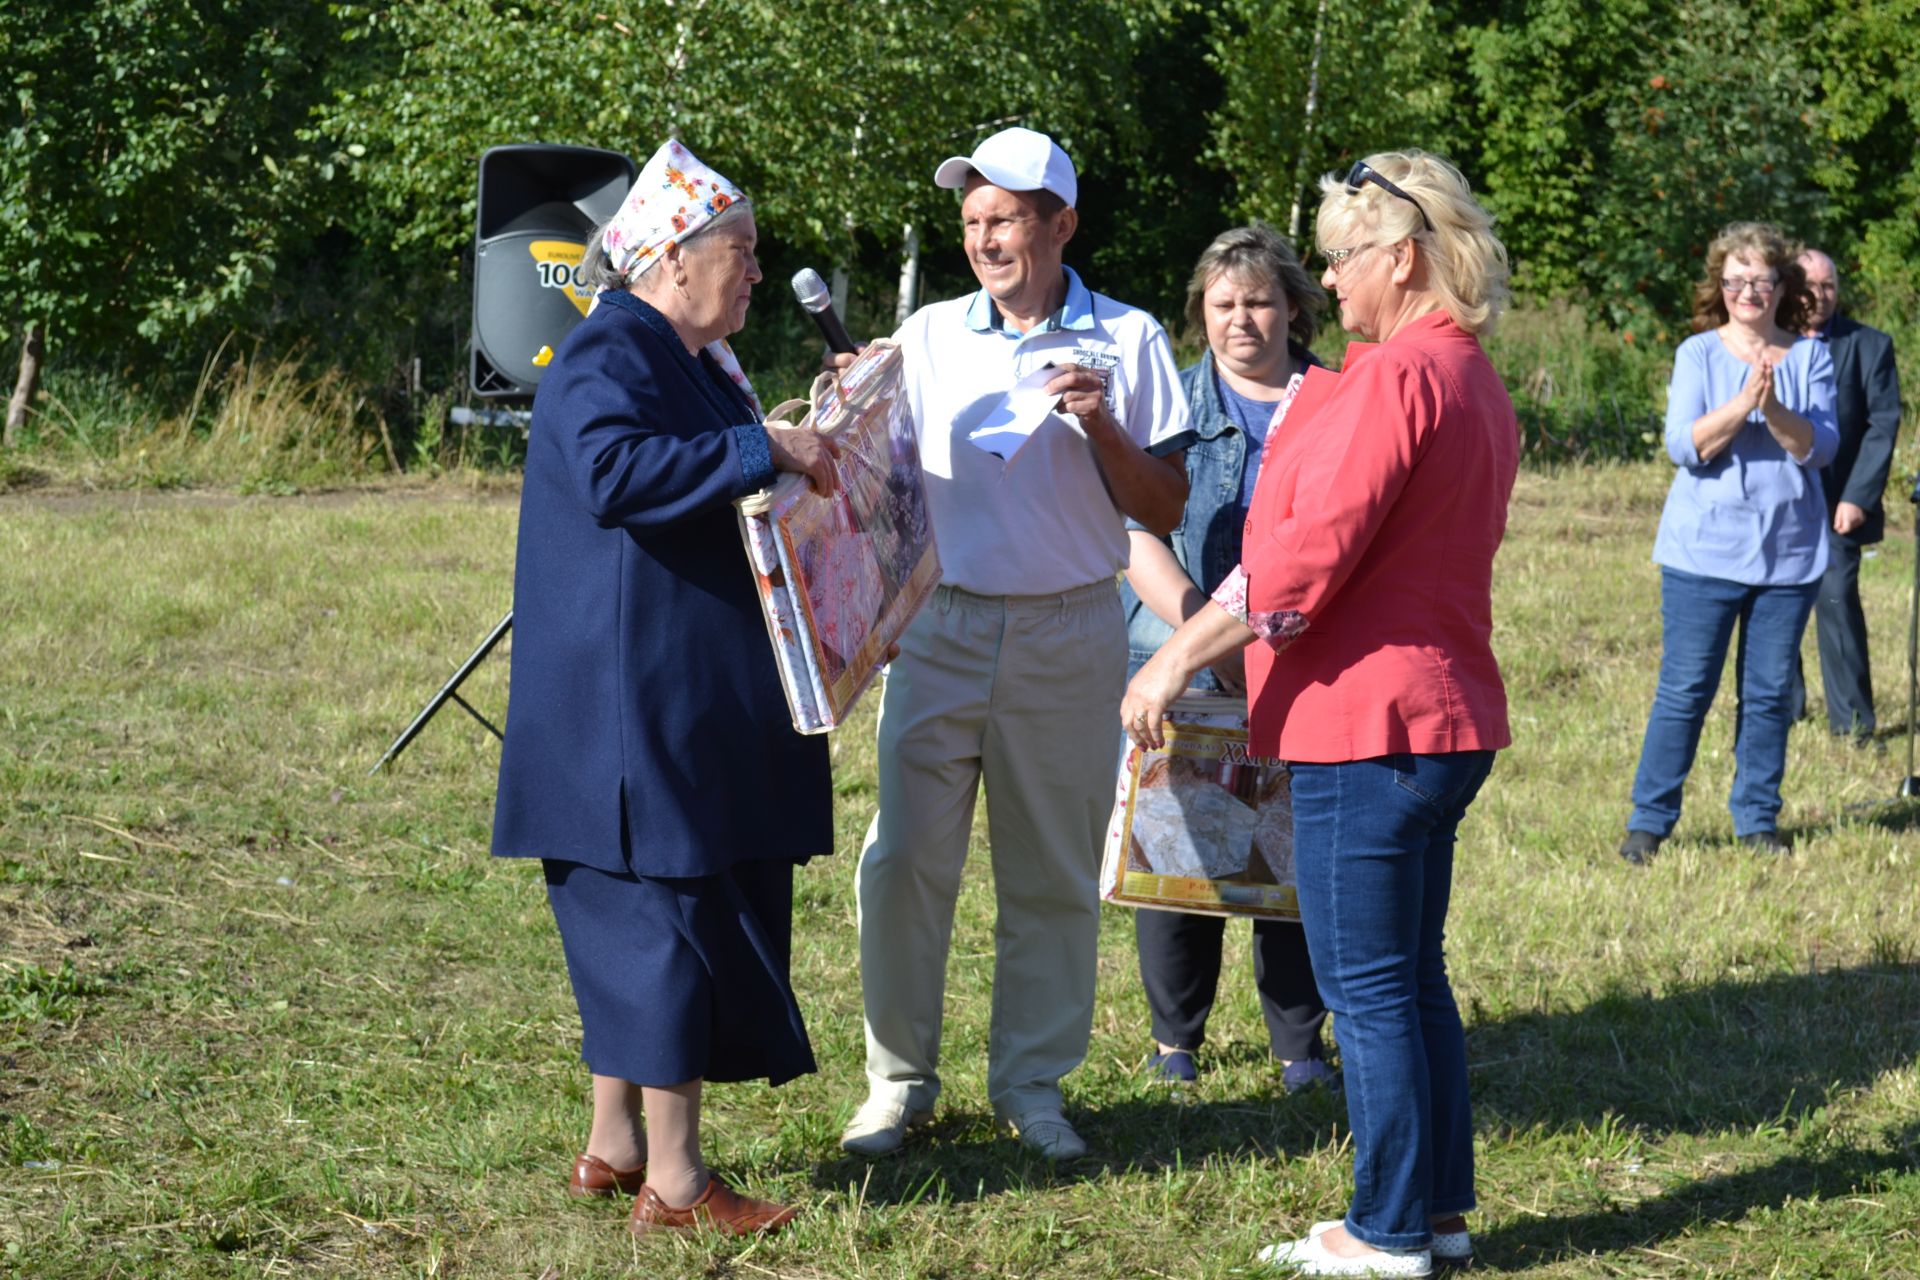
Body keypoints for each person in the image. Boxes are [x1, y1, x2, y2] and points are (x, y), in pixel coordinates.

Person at [1121, 150, 1518, 1277]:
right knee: (1411, 974)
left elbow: (1297, 565)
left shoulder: (1396, 376)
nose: (1328, 285)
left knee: (1370, 986)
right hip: (1438, 717)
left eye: (1343, 259)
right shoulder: (1467, 371)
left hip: (1373, 722)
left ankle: (1387, 1229)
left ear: (1402, 256)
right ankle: (1437, 1210)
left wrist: (1168, 665)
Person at [490, 139, 840, 1237]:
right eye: (736, 251)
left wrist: (767, 439)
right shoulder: (612, 351)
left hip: (650, 702)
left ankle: (615, 1142)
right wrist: (760, 450)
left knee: (636, 913)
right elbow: (615, 474)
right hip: (628, 713)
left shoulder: (676, 354)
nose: (750, 270)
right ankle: (679, 1185)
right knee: (667, 918)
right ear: (668, 261)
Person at [840, 126, 1194, 1161]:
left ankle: (1034, 1085)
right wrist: (848, 400)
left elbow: (1164, 504)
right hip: (941, 625)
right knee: (903, 859)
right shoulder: (931, 331)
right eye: (971, 222)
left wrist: (1105, 429)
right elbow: (873, 473)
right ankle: (895, 1084)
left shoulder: (1129, 339)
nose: (985, 239)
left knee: (1049, 871)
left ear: (1062, 222)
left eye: (1004, 218)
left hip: (1069, 626)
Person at [1119, 222, 1336, 1090]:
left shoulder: (1335, 400)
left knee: (1291, 849)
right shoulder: (1169, 402)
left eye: (1257, 301)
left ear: (1293, 306)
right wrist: (1202, 635)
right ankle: (1176, 1042)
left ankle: (1298, 1046)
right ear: (1200, 313)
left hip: (1305, 658)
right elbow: (1133, 531)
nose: (1240, 319)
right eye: (1222, 304)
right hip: (1182, 651)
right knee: (1181, 846)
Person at [1618, 223, 1839, 864]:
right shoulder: (1698, 354)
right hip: (1701, 555)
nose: (1747, 291)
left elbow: (1819, 448)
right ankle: (1649, 821)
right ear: (1721, 286)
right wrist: (1745, 401)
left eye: (1761, 280)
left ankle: (1756, 820)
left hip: (1789, 557)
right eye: (1735, 279)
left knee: (1769, 693)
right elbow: (1685, 446)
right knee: (1686, 689)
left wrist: (1773, 410)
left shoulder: (1810, 357)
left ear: (1780, 288)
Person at [1797, 248, 1903, 742]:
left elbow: (1882, 425)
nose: (1819, 295)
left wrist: (1858, 496)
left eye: (1828, 285)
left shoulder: (1869, 345)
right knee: (1772, 611)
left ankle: (1854, 724)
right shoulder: (1767, 342)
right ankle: (1783, 711)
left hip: (1837, 501)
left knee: (1837, 602)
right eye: (1809, 285)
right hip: (1774, 508)